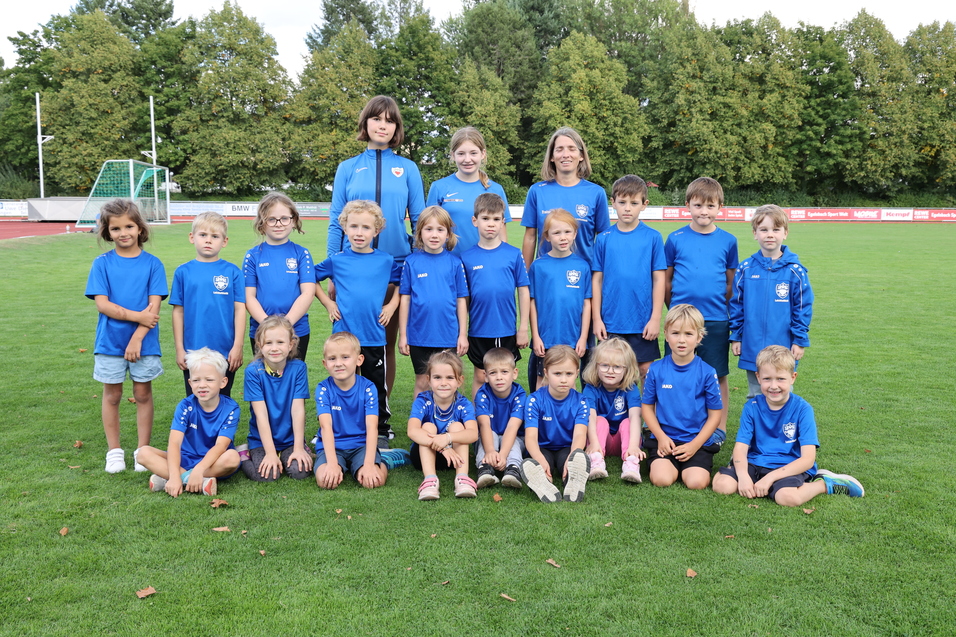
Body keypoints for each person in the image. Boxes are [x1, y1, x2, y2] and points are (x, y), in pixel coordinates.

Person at [328, 95, 426, 396]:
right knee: (349, 347)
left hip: (395, 268)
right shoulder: (348, 167)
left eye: (389, 120)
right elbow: (335, 222)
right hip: (352, 270)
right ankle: (351, 410)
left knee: (383, 345)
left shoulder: (408, 168)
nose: (383, 125)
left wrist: (417, 266)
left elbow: (420, 221)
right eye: (376, 118)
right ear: (365, 123)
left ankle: (378, 410)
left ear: (396, 127)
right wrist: (333, 270)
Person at [712, 345, 864, 505]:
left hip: (789, 465)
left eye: (780, 379)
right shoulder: (752, 407)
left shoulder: (803, 409)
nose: (773, 386)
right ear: (758, 377)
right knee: (722, 486)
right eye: (767, 379)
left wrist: (770, 478)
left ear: (793, 377)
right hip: (756, 462)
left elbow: (808, 459)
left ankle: (823, 484)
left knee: (787, 498)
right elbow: (741, 448)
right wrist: (743, 476)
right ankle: (739, 469)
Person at [85, 199, 168, 473]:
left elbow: (153, 308)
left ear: (139, 228)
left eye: (129, 226)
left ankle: (143, 452)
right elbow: (103, 305)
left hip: (145, 343)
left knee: (143, 394)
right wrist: (137, 317)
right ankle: (114, 452)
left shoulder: (153, 264)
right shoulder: (102, 264)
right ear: (107, 232)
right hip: (110, 342)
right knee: (112, 395)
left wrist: (137, 337)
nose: (123, 233)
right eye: (116, 228)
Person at [315, 200, 402, 447]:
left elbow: (402, 283)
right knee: (342, 385)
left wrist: (391, 306)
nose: (359, 232)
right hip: (344, 337)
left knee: (376, 386)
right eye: (353, 226)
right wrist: (328, 304)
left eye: (366, 227)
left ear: (377, 230)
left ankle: (381, 429)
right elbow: (309, 278)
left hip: (374, 335)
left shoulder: (386, 260)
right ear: (344, 228)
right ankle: (336, 426)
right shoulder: (337, 260)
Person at [664, 177, 738, 440]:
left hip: (715, 319)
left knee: (717, 375)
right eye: (698, 205)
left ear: (720, 207)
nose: (703, 211)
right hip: (680, 322)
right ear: (688, 205)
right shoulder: (675, 239)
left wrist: (718, 307)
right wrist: (675, 311)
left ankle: (719, 428)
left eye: (710, 206)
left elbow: (730, 283)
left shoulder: (728, 241)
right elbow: (667, 280)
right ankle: (675, 424)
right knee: (677, 373)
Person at [730, 204, 813, 398]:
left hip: (783, 345)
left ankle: (781, 419)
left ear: (785, 233)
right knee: (756, 393)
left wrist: (799, 339)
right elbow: (737, 305)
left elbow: (802, 308)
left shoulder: (795, 271)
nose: (770, 235)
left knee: (781, 394)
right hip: (752, 345)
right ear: (755, 233)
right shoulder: (745, 269)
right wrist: (736, 336)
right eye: (764, 229)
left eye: (776, 229)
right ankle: (756, 419)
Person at [137, 348, 241, 497]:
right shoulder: (185, 406)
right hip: (184, 458)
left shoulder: (231, 408)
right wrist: (174, 476)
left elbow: (221, 446)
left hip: (213, 462)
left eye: (209, 380)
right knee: (143, 453)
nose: (202, 385)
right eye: (196, 380)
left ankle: (172, 478)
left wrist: (199, 469)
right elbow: (174, 443)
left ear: (223, 382)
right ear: (190, 383)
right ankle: (194, 481)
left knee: (232, 458)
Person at [592, 175, 665, 384]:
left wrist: (655, 318)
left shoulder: (653, 237)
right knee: (611, 372)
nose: (627, 208)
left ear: (644, 204)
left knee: (645, 370)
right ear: (613, 202)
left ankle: (646, 408)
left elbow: (659, 280)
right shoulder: (604, 238)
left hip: (642, 320)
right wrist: (597, 319)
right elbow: (597, 280)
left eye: (634, 203)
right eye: (622, 202)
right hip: (611, 320)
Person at [642, 305, 723, 489]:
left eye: (688, 334)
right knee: (661, 479)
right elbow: (647, 407)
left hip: (695, 441)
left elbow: (715, 415)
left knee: (696, 482)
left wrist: (694, 445)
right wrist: (661, 437)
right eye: (675, 333)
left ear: (699, 337)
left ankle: (691, 464)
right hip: (665, 440)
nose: (681, 340)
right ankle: (667, 464)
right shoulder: (655, 369)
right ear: (666, 335)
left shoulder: (707, 372)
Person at [461, 192, 530, 398]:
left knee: (503, 376)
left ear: (502, 222)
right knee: (481, 375)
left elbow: (523, 291)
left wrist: (523, 328)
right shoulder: (466, 257)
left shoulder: (513, 254)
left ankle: (504, 415)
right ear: (475, 221)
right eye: (485, 218)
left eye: (496, 219)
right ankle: (479, 417)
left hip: (505, 328)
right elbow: (463, 299)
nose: (490, 224)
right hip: (479, 329)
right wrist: (462, 333)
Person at [170, 211, 245, 398]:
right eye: (203, 235)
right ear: (192, 237)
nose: (208, 240)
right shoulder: (183, 272)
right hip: (193, 351)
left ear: (224, 241)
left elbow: (239, 310)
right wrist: (179, 349)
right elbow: (178, 312)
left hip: (224, 351)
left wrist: (237, 346)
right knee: (196, 398)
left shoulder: (233, 272)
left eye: (215, 236)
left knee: (223, 398)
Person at [398, 206, 469, 399]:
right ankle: (419, 416)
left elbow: (461, 300)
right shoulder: (411, 262)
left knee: (447, 381)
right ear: (419, 232)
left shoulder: (455, 263)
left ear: (448, 234)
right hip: (419, 335)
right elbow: (405, 299)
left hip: (448, 335)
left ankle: (447, 417)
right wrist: (403, 335)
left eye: (440, 229)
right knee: (423, 382)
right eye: (428, 229)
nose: (434, 234)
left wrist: (462, 335)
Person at [521, 127, 610, 268]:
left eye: (571, 149)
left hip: (585, 276)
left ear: (581, 155)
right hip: (545, 276)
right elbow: (530, 237)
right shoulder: (537, 191)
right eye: (559, 149)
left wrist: (600, 276)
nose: (565, 154)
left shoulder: (596, 193)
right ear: (552, 156)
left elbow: (603, 241)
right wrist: (525, 277)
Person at [243, 192, 315, 361]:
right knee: (265, 376)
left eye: (284, 218)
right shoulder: (252, 256)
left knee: (294, 375)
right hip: (262, 332)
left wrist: (286, 325)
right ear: (262, 223)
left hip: (296, 331)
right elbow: (249, 296)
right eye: (271, 219)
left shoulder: (302, 254)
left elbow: (308, 292)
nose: (278, 224)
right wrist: (269, 326)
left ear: (293, 220)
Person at [240, 315, 313, 482]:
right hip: (261, 441)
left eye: (280, 342)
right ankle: (243, 456)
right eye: (268, 343)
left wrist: (298, 448)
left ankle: (298, 449)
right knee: (267, 475)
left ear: (291, 344)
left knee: (300, 471)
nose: (274, 348)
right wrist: (271, 454)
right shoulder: (253, 372)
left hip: (289, 440)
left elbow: (298, 410)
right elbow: (261, 415)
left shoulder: (298, 368)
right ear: (260, 345)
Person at [313, 332, 389, 490]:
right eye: (332, 358)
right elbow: (326, 427)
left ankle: (385, 460)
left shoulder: (368, 388)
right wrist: (332, 464)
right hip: (333, 446)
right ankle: (337, 463)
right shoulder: (323, 389)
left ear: (359, 360)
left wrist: (369, 465)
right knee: (325, 481)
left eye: (345, 357)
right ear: (325, 363)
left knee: (375, 480)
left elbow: (372, 427)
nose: (338, 363)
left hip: (361, 446)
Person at [527, 209, 591, 391]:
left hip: (572, 339)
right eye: (556, 233)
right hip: (546, 339)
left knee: (568, 381)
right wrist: (536, 337)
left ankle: (569, 412)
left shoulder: (582, 266)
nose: (563, 237)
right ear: (547, 236)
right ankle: (540, 411)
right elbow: (532, 304)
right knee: (543, 382)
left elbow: (587, 304)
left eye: (567, 231)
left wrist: (583, 338)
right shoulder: (538, 267)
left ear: (575, 233)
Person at [520, 345, 591, 503]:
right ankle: (544, 482)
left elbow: (580, 434)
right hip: (542, 447)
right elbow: (530, 437)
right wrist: (539, 458)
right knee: (540, 466)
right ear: (546, 373)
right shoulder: (534, 400)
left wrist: (572, 457)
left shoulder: (581, 401)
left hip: (567, 447)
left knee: (571, 464)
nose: (563, 379)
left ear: (577, 373)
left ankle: (572, 482)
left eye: (569, 374)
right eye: (557, 374)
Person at [426, 126, 511, 254]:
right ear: (453, 155)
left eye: (473, 153)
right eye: (461, 153)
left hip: (484, 263)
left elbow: (502, 236)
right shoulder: (439, 187)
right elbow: (428, 229)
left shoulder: (495, 190)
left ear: (483, 154)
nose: (467, 159)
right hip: (448, 263)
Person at [407, 351, 479, 500]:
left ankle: (462, 478)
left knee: (457, 427)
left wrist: (447, 438)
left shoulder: (464, 404)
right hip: (422, 457)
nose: (443, 383)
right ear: (428, 380)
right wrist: (443, 447)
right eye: (437, 377)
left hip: (454, 459)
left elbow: (473, 433)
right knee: (428, 426)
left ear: (459, 381)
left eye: (450, 377)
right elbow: (412, 431)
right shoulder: (422, 400)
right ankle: (430, 480)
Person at [581, 337, 645, 483]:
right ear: (596, 366)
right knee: (600, 420)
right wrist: (594, 443)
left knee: (627, 422)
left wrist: (634, 445)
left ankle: (631, 463)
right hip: (599, 440)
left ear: (627, 369)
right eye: (604, 365)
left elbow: (635, 417)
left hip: (625, 441)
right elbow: (590, 417)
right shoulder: (591, 389)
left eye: (617, 367)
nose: (610, 371)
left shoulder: (631, 388)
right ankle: (596, 460)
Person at [474, 348, 527, 490]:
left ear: (514, 373)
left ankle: (513, 469)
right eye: (493, 373)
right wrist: (490, 451)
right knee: (489, 436)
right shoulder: (482, 394)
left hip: (513, 436)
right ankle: (484, 468)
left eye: (504, 372)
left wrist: (503, 454)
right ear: (485, 376)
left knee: (513, 441)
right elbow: (484, 424)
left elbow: (513, 426)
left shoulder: (519, 394)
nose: (499, 377)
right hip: (489, 435)